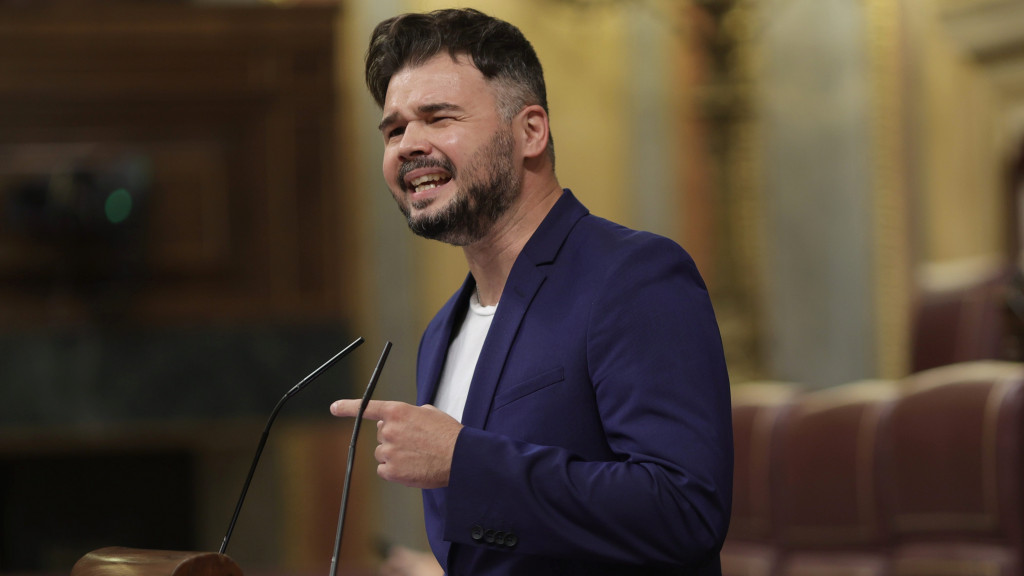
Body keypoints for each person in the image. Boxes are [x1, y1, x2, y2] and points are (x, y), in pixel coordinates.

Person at [331, 8, 733, 576]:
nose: (407, 145)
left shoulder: (633, 277)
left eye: (438, 118)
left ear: (530, 131)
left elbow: (685, 510)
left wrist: (464, 461)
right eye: (394, 129)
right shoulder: (439, 333)